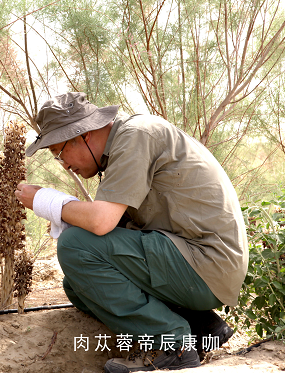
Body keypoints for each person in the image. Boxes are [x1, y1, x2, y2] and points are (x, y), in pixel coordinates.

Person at [14, 92, 248, 373]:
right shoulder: (122, 147)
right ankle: (202, 325)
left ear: (83, 135)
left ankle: (174, 346)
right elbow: (113, 226)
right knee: (78, 287)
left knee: (74, 246)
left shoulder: (136, 135)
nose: (64, 165)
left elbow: (101, 222)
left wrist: (46, 201)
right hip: (195, 264)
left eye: (59, 152)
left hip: (206, 263)